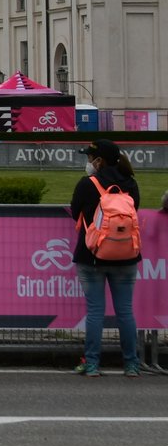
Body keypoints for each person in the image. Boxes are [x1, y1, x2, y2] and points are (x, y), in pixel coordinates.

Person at [69, 139, 142, 377]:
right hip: (126, 257)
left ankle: (92, 364)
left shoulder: (87, 183)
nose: (88, 162)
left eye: (90, 158)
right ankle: (131, 364)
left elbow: (75, 212)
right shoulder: (131, 184)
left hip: (91, 256)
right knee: (125, 312)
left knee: (95, 312)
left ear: (99, 161)